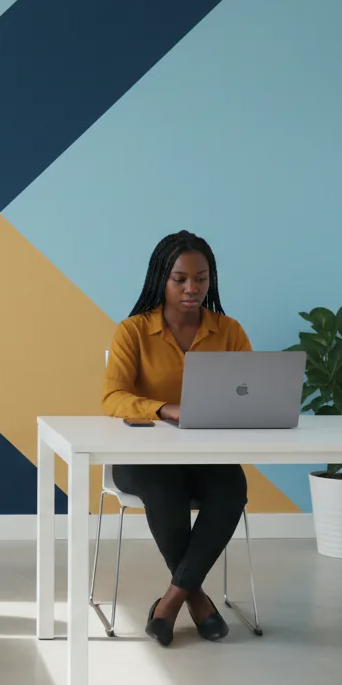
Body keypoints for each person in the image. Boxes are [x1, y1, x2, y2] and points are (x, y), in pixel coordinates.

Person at [101, 230, 250, 646]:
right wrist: (164, 409)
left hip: (205, 454)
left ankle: (169, 602)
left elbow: (250, 390)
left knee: (232, 487)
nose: (192, 288)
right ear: (160, 280)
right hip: (141, 459)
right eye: (180, 279)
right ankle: (196, 600)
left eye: (200, 279)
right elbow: (112, 398)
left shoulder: (229, 331)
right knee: (164, 487)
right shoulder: (132, 331)